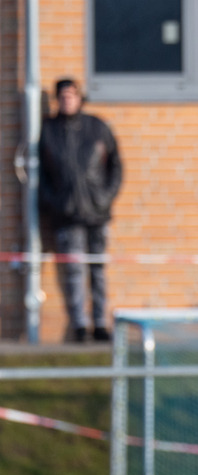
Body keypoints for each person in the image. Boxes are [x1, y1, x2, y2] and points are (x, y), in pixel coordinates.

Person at [38, 77, 123, 343]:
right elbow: (39, 174)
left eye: (72, 95)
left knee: (97, 270)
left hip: (97, 213)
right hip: (67, 215)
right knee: (74, 271)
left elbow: (116, 166)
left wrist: (105, 198)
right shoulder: (49, 131)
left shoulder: (96, 128)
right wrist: (55, 202)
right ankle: (79, 326)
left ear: (79, 97)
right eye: (62, 96)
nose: (67, 100)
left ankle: (100, 324)